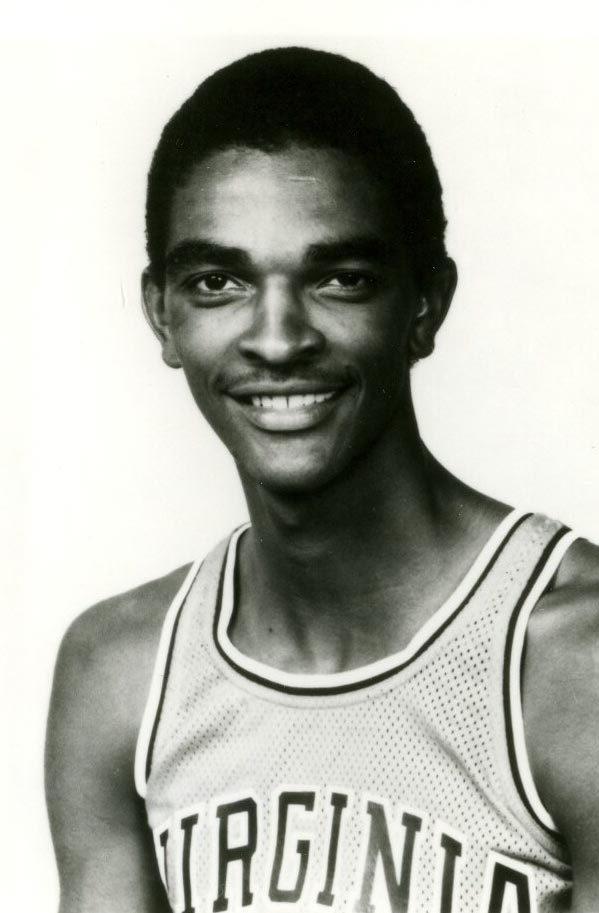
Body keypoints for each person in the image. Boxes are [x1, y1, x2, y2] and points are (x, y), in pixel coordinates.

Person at [45, 46, 599, 913]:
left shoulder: (569, 660)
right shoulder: (122, 673)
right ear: (161, 312)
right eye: (217, 280)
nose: (276, 337)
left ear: (425, 304)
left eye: (339, 277)